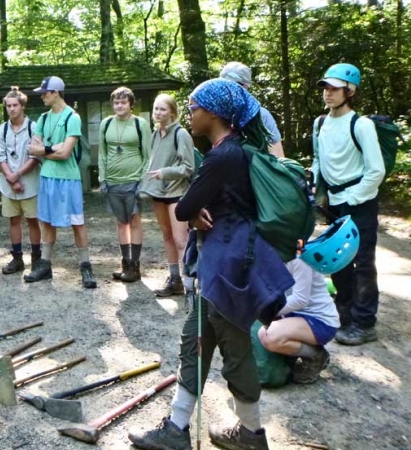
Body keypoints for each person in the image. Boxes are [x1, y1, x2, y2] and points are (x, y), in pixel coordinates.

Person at [129, 79, 294, 450]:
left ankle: (250, 435)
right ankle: (178, 426)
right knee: (196, 339)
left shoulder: (222, 156)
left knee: (232, 351)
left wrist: (194, 208)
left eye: (194, 106)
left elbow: (186, 208)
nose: (190, 112)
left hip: (226, 268)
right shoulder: (235, 151)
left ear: (214, 113)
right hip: (230, 263)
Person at [312, 63, 383, 346]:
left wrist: (352, 198)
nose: (328, 93)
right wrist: (314, 189)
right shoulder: (320, 123)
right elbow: (319, 161)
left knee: (362, 261)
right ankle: (343, 315)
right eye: (325, 88)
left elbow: (375, 170)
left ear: (350, 91)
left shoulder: (361, 124)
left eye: (334, 88)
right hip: (335, 203)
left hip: (360, 203)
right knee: (338, 259)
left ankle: (365, 322)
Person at [26, 76, 97, 289]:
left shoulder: (72, 117)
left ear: (56, 92)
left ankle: (86, 266)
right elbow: (32, 149)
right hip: (47, 177)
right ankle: (45, 265)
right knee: (46, 221)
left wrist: (46, 150)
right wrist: (51, 148)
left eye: (45, 92)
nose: (41, 96)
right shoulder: (43, 119)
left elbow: (66, 153)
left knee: (77, 222)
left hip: (68, 179)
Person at [141, 93, 195, 296]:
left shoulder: (181, 134)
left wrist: (165, 173)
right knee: (166, 236)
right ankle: (175, 280)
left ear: (172, 112)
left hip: (176, 192)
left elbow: (188, 167)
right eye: (156, 108)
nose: (158, 112)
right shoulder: (156, 133)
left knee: (181, 240)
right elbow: (152, 162)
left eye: (162, 109)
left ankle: (190, 285)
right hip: (158, 193)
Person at [98, 86, 151, 283]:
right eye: (116, 102)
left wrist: (143, 182)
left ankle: (135, 266)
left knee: (135, 220)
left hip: (133, 181)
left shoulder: (140, 124)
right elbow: (102, 153)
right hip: (112, 182)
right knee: (121, 223)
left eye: (123, 102)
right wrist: (102, 179)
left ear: (131, 104)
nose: (119, 106)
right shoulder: (106, 124)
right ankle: (125, 264)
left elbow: (148, 154)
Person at [258, 259, 340, 384]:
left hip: (320, 321)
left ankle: (316, 355)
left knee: (268, 336)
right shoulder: (267, 251)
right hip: (292, 315)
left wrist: (266, 311)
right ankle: (291, 355)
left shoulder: (299, 258)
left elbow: (300, 299)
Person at [0, 87, 42, 274]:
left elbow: (36, 156)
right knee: (13, 220)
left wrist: (18, 175)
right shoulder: (2, 129)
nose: (12, 109)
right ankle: (17, 258)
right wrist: (11, 179)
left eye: (15, 105)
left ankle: (37, 259)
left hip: (30, 184)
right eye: (8, 106)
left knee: (33, 221)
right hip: (8, 185)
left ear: (22, 106)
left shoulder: (34, 127)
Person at [220, 62, 285, 158]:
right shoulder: (213, 112)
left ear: (246, 87)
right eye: (224, 83)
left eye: (237, 84)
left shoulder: (261, 115)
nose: (230, 88)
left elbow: (278, 156)